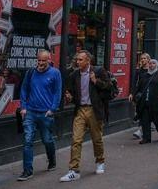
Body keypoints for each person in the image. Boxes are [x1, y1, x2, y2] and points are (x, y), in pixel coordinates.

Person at [60, 50, 113, 182]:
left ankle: (100, 161)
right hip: (80, 110)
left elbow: (109, 87)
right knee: (76, 140)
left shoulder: (99, 71)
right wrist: (70, 97)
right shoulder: (74, 75)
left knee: (97, 138)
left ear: (88, 61)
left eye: (80, 60)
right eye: (77, 60)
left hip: (94, 110)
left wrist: (96, 81)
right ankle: (74, 170)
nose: (78, 62)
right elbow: (72, 93)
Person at [17, 50, 62, 181]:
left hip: (45, 113)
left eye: (44, 60)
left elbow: (57, 92)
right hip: (30, 112)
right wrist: (23, 107)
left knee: (47, 139)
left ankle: (52, 160)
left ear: (49, 59)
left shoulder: (55, 73)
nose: (41, 63)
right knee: (27, 140)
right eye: (39, 60)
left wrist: (52, 109)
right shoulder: (30, 72)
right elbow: (24, 89)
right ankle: (27, 171)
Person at [132, 59, 158, 144]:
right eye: (150, 63)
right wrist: (135, 96)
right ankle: (146, 138)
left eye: (153, 63)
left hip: (156, 103)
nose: (151, 65)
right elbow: (139, 88)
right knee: (145, 121)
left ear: (156, 65)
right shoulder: (144, 76)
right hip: (145, 103)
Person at [130, 53, 151, 139]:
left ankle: (141, 130)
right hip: (140, 95)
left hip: (149, 95)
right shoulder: (138, 71)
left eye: (144, 58)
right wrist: (132, 93)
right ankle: (142, 130)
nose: (143, 60)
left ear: (148, 60)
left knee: (145, 113)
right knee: (141, 112)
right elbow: (134, 83)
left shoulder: (151, 70)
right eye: (141, 58)